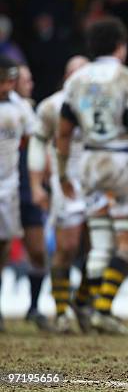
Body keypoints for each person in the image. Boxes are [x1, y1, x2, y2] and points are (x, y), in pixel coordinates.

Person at [56, 17, 128, 334]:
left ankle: (84, 303)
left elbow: (63, 132)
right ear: (121, 45)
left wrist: (62, 172)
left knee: (100, 241)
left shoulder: (76, 80)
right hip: (121, 160)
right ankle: (102, 308)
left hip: (88, 160)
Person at [28, 55, 91, 333]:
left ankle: (82, 301)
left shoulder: (101, 104)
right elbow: (38, 144)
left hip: (96, 182)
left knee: (98, 250)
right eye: (75, 74)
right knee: (67, 247)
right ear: (66, 78)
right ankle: (62, 311)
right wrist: (36, 185)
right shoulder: (51, 107)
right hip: (64, 183)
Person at [0, 56, 37, 333]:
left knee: (3, 246)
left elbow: (31, 139)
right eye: (6, 78)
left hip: (9, 187)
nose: (9, 84)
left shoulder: (21, 108)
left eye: (12, 79)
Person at [15, 64, 51, 330]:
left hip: (28, 188)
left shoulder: (32, 113)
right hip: (7, 187)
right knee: (3, 251)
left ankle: (34, 306)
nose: (30, 83)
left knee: (38, 251)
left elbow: (42, 150)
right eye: (25, 80)